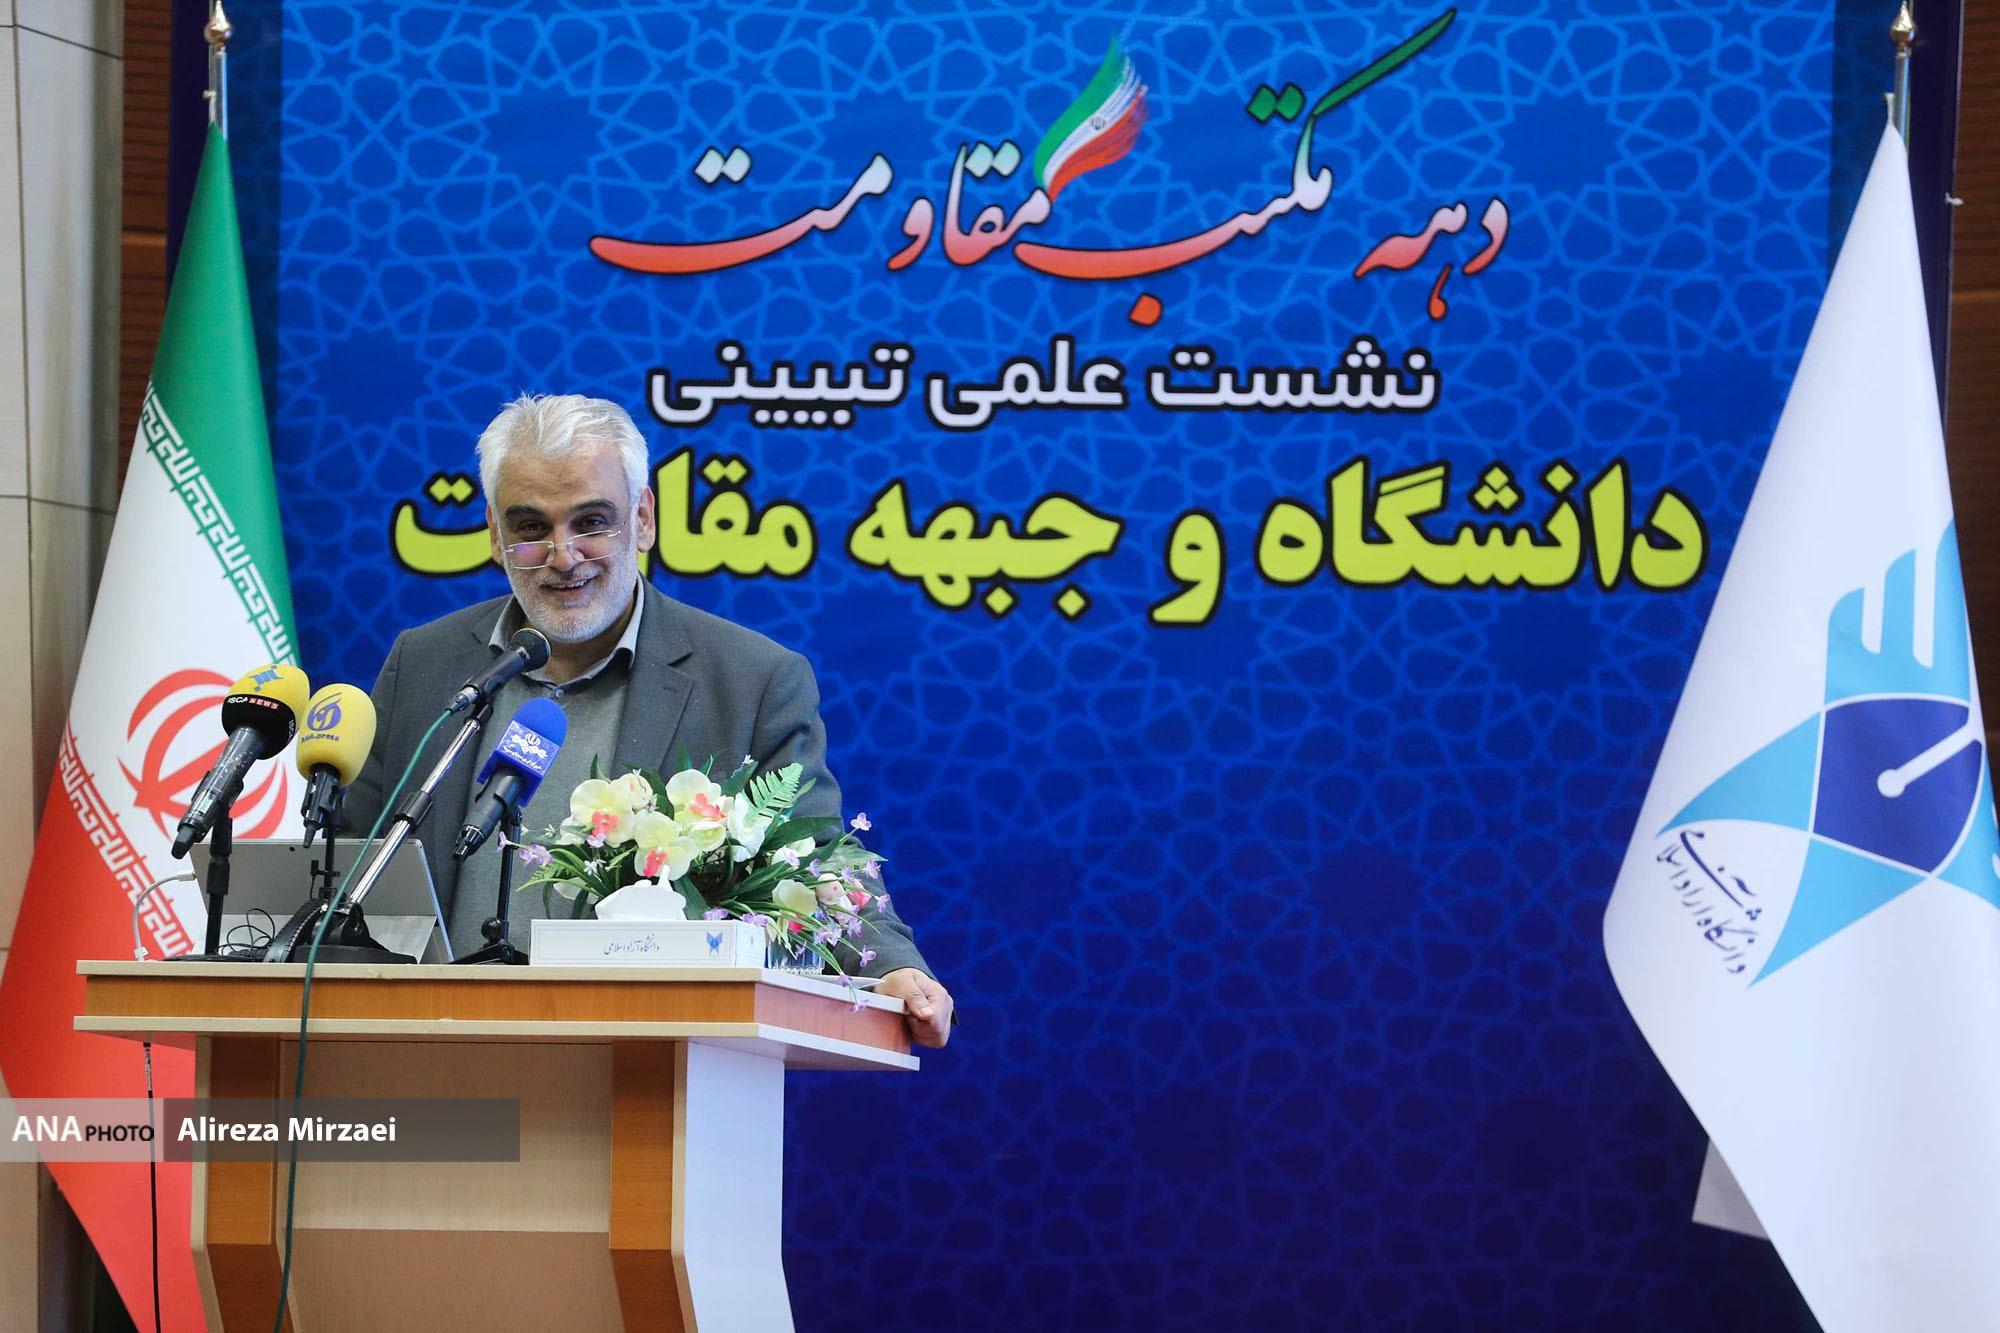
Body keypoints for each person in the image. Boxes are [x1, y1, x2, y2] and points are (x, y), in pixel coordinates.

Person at [343, 394, 954, 1046]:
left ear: (643, 518)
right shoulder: (425, 665)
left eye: (591, 521)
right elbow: (352, 863)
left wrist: (890, 967)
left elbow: (817, 863)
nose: (563, 555)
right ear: (495, 534)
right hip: (429, 1053)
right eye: (531, 527)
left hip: (648, 1062)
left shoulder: (750, 682)